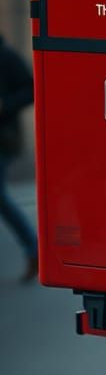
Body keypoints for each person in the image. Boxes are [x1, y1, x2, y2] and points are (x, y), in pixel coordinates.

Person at [0, 31, 38, 282]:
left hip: (3, 137)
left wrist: (5, 105)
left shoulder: (5, 56)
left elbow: (31, 88)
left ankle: (33, 248)